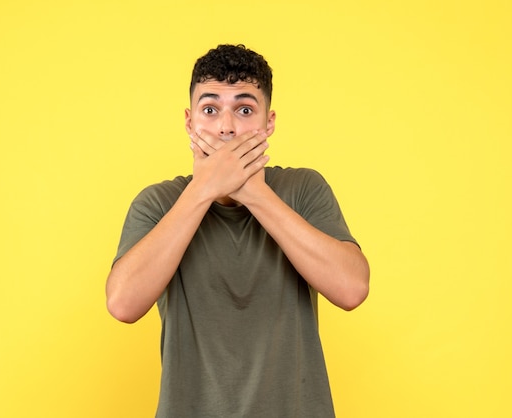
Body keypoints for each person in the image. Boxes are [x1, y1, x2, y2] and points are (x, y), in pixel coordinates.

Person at [106, 44, 370, 417]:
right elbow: (122, 304)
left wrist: (254, 193)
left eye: (245, 110)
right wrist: (203, 190)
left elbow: (352, 288)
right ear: (189, 121)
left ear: (269, 123)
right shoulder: (159, 203)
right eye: (210, 110)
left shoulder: (303, 190)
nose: (227, 126)